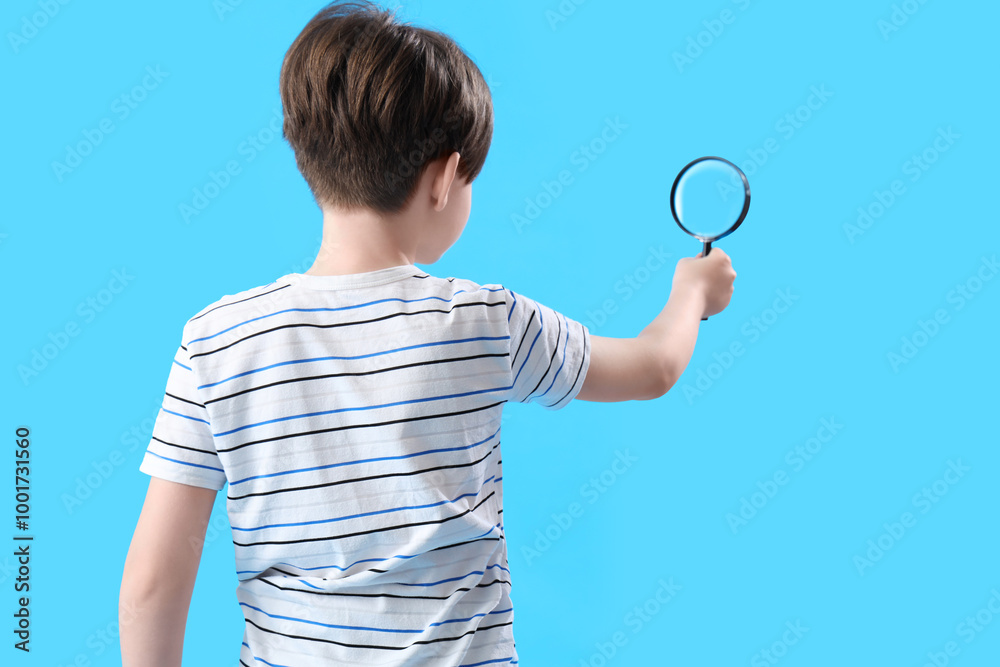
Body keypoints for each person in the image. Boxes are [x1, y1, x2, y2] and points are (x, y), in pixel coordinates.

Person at [118, 1, 737, 664]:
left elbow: (155, 581)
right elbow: (652, 367)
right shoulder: (485, 322)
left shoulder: (215, 340)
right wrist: (691, 293)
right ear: (444, 177)